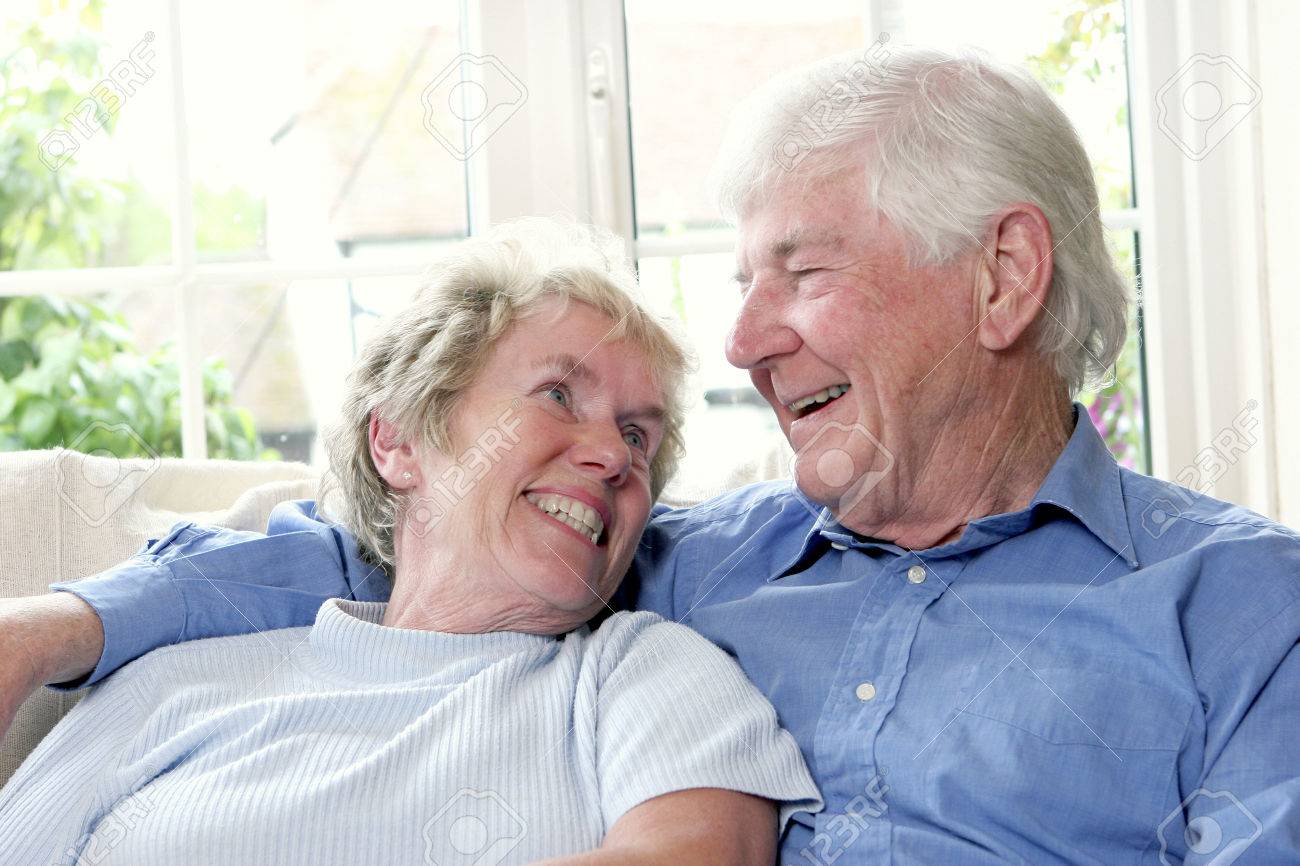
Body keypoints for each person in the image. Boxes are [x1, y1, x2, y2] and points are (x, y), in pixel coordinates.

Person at [3, 45, 1298, 865]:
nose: (738, 339)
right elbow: (407, 547)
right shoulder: (678, 561)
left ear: (1004, 276)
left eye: (800, 271)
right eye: (741, 282)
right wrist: (57, 625)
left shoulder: (1244, 609)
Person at [0, 221, 821, 865]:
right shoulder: (174, 683)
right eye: (560, 394)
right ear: (398, 441)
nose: (613, 455)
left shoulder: (646, 674)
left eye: (639, 436)